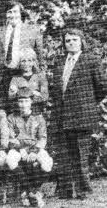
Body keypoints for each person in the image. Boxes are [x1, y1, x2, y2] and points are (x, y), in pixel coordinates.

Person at [51, 28, 107, 200]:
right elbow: (57, 89)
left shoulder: (91, 60)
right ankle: (65, 190)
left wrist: (86, 103)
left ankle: (83, 190)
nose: (71, 43)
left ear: (81, 41)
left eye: (74, 39)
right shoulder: (60, 61)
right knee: (65, 154)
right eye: (67, 40)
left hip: (82, 115)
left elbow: (102, 87)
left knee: (81, 155)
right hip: (63, 116)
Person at [7, 87, 52, 207]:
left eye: (26, 101)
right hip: (18, 148)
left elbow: (43, 138)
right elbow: (10, 137)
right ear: (17, 102)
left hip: (35, 147)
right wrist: (20, 149)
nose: (23, 104)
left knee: (47, 163)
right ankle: (28, 190)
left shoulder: (39, 118)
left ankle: (33, 191)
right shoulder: (11, 118)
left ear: (31, 101)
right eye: (20, 101)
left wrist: (34, 151)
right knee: (10, 159)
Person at [0, 1, 43, 100]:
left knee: (23, 104)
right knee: (4, 104)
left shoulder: (33, 31)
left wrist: (40, 78)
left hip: (24, 74)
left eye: (15, 12)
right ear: (6, 14)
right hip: (3, 75)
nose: (12, 15)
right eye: (9, 12)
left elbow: (40, 58)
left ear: (20, 14)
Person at [8, 48, 48, 112]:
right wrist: (34, 93)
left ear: (33, 62)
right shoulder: (15, 79)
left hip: (37, 111)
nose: (26, 64)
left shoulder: (40, 77)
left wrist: (21, 93)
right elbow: (11, 97)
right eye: (23, 61)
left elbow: (45, 96)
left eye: (29, 60)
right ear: (19, 63)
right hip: (21, 111)